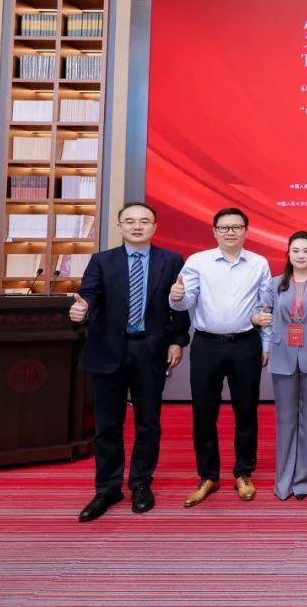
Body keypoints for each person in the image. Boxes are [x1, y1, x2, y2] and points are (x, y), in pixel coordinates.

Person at [70, 201, 189, 522]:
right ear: (120, 226)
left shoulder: (171, 260)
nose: (137, 226)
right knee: (107, 425)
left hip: (149, 350)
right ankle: (107, 488)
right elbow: (89, 294)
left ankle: (140, 483)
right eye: (130, 221)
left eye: (144, 221)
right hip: (107, 350)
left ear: (155, 227)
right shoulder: (102, 260)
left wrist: (178, 340)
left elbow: (179, 304)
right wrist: (82, 309)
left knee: (148, 422)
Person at [169, 207, 272, 507]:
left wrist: (266, 344)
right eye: (224, 227)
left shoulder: (259, 263)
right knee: (204, 412)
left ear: (246, 231)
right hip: (207, 345)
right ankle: (208, 475)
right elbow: (185, 301)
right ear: (214, 231)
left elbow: (265, 306)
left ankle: (244, 472)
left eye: (236, 227)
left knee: (246, 412)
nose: (230, 232)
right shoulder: (197, 261)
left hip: (245, 344)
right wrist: (176, 298)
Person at [252, 231, 307, 501]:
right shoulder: (275, 283)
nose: (301, 255)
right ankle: (285, 480)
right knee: (286, 420)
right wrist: (258, 323)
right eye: (296, 250)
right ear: (288, 254)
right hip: (282, 355)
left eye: (306, 251)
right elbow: (262, 313)